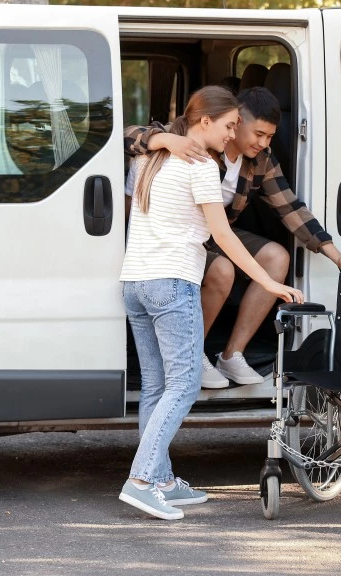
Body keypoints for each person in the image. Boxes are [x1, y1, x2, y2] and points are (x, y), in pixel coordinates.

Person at [118, 86, 303, 521]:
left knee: (156, 386)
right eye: (229, 125)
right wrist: (269, 283)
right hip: (172, 282)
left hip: (135, 283)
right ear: (204, 122)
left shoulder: (148, 158)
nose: (232, 134)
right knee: (182, 385)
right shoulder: (201, 165)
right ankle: (141, 481)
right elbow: (223, 236)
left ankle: (160, 478)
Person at [124, 86, 341, 389]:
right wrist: (165, 139)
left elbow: (290, 208)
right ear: (236, 121)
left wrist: (337, 255)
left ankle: (231, 353)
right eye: (258, 134)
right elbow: (128, 135)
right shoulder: (193, 138)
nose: (264, 144)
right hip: (184, 233)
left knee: (277, 256)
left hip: (217, 230)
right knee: (222, 271)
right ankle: (194, 354)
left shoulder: (260, 160)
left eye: (270, 137)